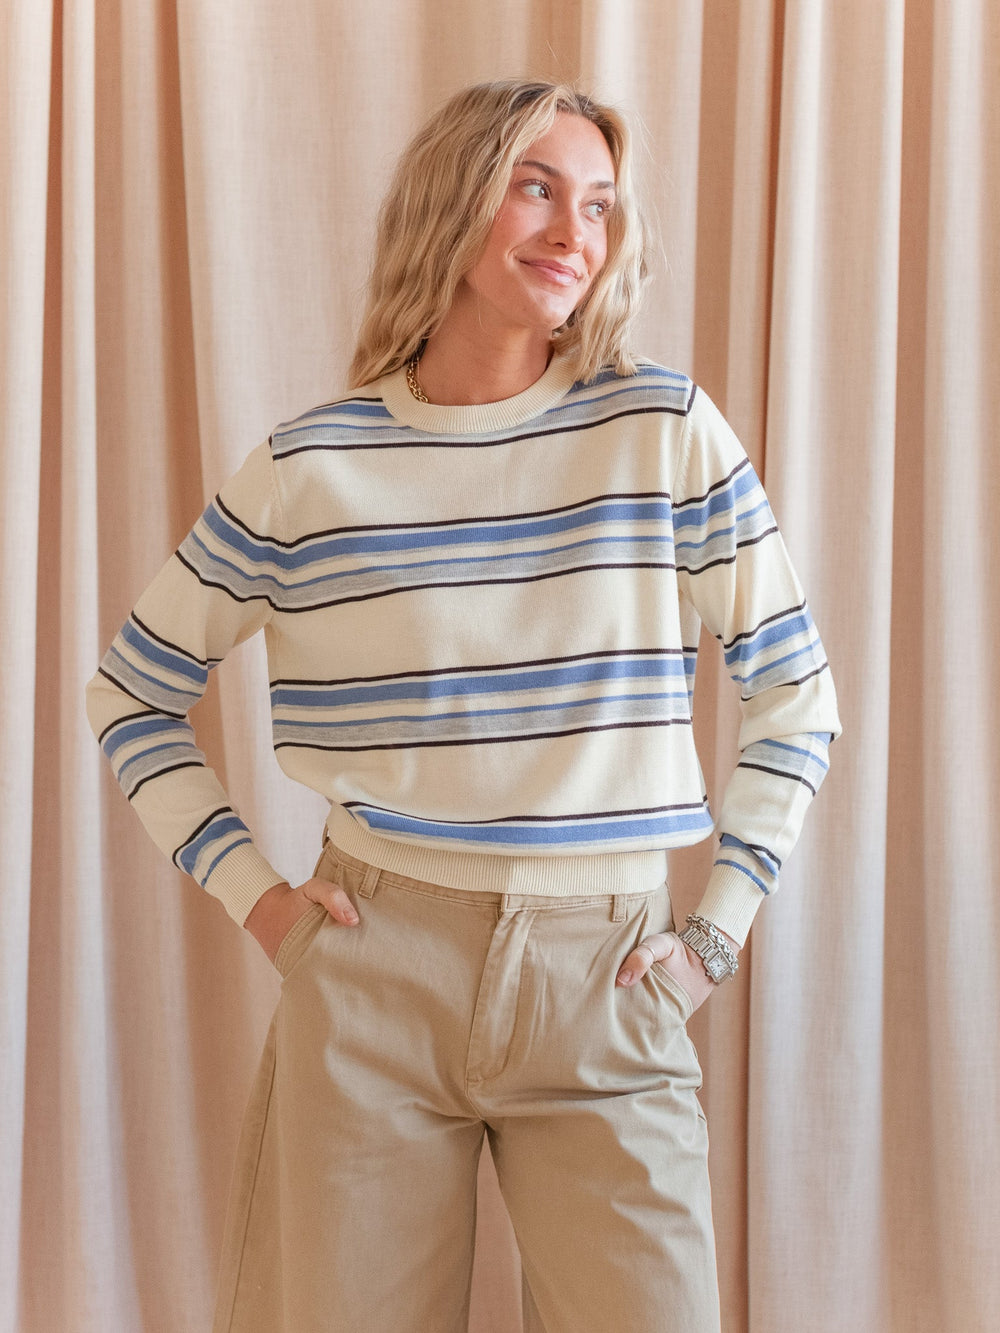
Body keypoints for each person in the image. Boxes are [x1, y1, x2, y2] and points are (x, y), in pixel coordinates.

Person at [86, 79, 840, 1333]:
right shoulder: (311, 466)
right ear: (453, 199)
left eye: (597, 204)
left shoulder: (660, 431)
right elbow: (131, 692)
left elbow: (796, 696)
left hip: (606, 972)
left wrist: (714, 936)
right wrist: (258, 900)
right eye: (535, 188)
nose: (573, 233)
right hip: (373, 969)